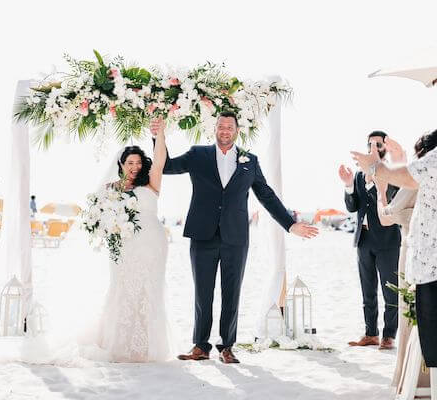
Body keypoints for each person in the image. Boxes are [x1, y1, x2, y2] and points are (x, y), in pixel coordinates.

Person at [153, 111, 318, 364]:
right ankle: (200, 346)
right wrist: (158, 137)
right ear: (215, 129)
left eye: (230, 127)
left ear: (237, 131)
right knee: (203, 293)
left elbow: (267, 196)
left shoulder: (249, 161)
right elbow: (167, 166)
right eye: (221, 126)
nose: (225, 130)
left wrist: (290, 224)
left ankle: (227, 346)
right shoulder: (198, 155)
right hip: (203, 235)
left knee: (232, 293)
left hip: (235, 238)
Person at [352, 130, 437, 397]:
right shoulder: (419, 170)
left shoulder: (422, 171)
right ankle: (374, 333)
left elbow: (388, 213)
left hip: (419, 258)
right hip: (381, 245)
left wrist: (378, 179)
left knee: (410, 313)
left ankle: (415, 373)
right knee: (372, 293)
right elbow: (354, 203)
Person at [86, 117, 171, 362]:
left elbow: (161, 159)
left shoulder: (151, 182)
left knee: (150, 290)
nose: (134, 166)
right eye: (129, 163)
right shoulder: (110, 188)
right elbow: (99, 217)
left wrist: (160, 133)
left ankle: (147, 346)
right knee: (122, 288)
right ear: (121, 165)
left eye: (137, 162)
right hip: (124, 246)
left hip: (153, 243)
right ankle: (119, 342)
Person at [339, 131, 401, 350]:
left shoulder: (393, 172)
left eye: (378, 144)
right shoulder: (358, 174)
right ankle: (370, 334)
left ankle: (389, 336)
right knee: (368, 290)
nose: (373, 148)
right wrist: (348, 185)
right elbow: (352, 207)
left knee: (390, 290)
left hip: (388, 240)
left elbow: (390, 199)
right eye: (370, 144)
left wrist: (374, 176)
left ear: (385, 147)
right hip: (363, 240)